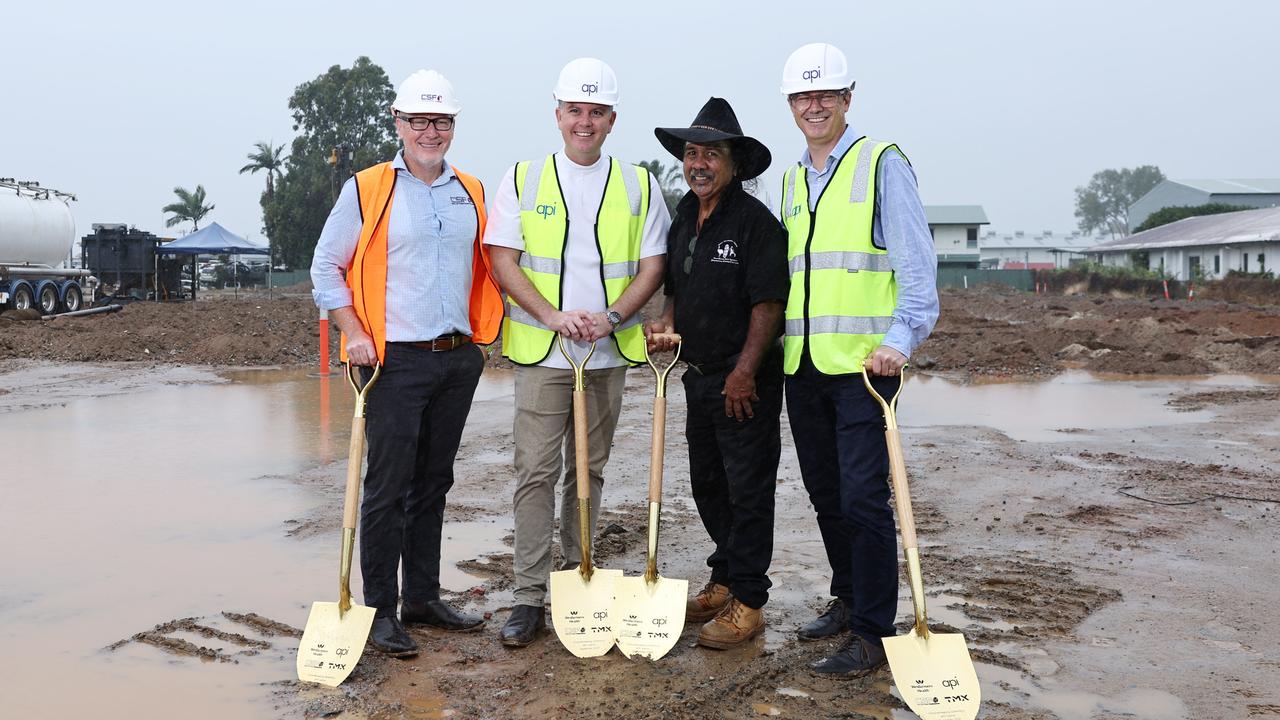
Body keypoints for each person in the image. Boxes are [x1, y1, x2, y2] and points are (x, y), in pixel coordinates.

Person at [309, 69, 504, 659]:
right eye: (418, 120)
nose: (430, 131)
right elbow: (326, 267)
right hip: (393, 362)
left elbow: (491, 264)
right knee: (387, 488)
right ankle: (379, 611)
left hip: (457, 358)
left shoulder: (468, 188)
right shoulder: (368, 189)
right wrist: (354, 334)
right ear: (398, 123)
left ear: (453, 126)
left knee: (434, 482)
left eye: (441, 121)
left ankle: (422, 597)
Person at [483, 57, 669, 648]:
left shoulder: (639, 184)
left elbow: (652, 265)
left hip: (608, 354)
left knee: (587, 470)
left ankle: (578, 570)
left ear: (612, 119)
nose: (584, 122)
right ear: (557, 113)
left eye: (596, 112)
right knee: (535, 472)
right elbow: (502, 260)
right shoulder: (523, 178)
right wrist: (552, 316)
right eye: (575, 111)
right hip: (544, 352)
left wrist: (613, 318)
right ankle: (529, 597)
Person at [777, 43, 939, 676]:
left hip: (866, 371)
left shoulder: (881, 164)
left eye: (826, 96)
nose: (813, 106)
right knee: (825, 494)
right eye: (802, 97)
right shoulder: (791, 180)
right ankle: (847, 598)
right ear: (790, 105)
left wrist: (900, 341)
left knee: (866, 499)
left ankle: (873, 632)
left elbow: (917, 270)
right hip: (805, 368)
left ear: (848, 99)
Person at [647, 97, 787, 650]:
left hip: (743, 383)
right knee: (709, 483)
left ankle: (749, 601)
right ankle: (724, 577)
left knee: (748, 489)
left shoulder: (755, 224)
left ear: (734, 164)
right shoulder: (686, 213)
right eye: (690, 153)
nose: (698, 163)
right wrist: (666, 321)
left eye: (710, 154)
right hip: (697, 375)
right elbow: (679, 285)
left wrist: (745, 371)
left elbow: (769, 304)